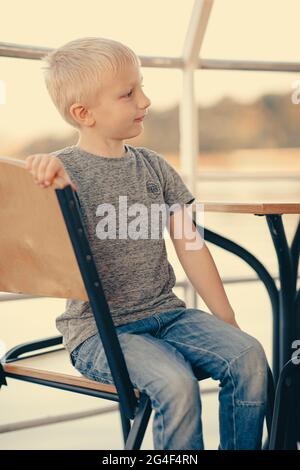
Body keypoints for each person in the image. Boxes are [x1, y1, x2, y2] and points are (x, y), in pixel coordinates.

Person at [24, 37, 268, 450]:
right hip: (99, 334)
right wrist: (47, 185)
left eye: (141, 87)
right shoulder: (63, 172)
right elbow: (39, 249)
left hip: (168, 317)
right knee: (175, 383)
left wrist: (225, 317)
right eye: (128, 93)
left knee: (249, 357)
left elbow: (191, 245)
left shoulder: (155, 167)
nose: (145, 100)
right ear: (84, 114)